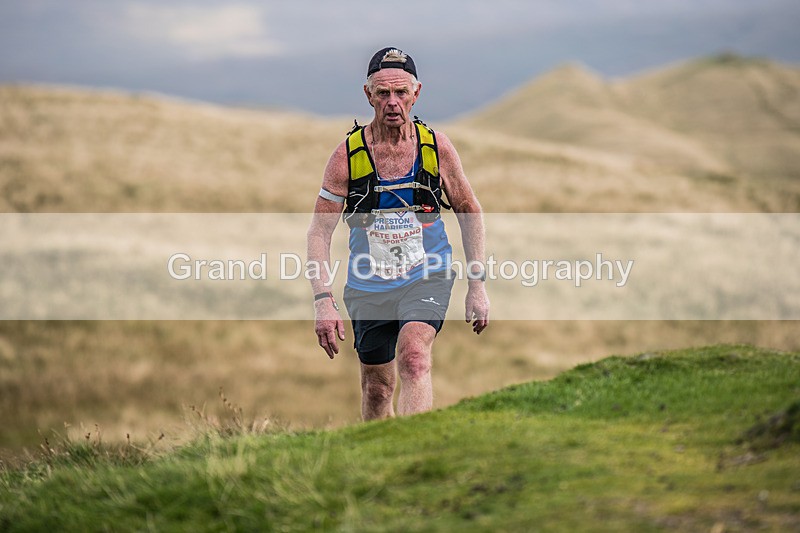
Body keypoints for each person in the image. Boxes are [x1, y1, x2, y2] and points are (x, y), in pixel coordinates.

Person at [307, 47, 489, 420]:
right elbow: (319, 232)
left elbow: (470, 211)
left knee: (414, 357)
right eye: (383, 93)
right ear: (368, 95)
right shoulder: (347, 156)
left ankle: (417, 450)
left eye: (401, 93)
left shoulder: (435, 148)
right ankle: (382, 462)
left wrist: (477, 285)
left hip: (428, 274)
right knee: (377, 388)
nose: (392, 102)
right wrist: (322, 299)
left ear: (416, 93)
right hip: (368, 283)